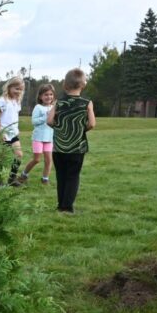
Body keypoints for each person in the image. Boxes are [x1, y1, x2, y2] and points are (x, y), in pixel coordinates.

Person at [47, 68, 96, 214]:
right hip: (77, 147)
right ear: (83, 85)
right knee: (73, 176)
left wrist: (60, 129)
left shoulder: (59, 102)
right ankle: (67, 207)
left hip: (58, 147)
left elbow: (49, 121)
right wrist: (81, 130)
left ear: (64, 85)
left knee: (60, 176)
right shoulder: (87, 103)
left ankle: (60, 205)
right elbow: (92, 124)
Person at [21, 84, 55, 185]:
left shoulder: (54, 108)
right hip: (38, 138)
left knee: (49, 160)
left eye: (51, 94)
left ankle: (45, 179)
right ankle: (24, 175)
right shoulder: (38, 107)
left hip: (49, 138)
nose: (49, 97)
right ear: (40, 96)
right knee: (36, 159)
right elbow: (34, 122)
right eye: (46, 94)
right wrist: (46, 116)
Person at [0, 76, 25, 185]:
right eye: (16, 89)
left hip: (13, 134)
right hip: (3, 133)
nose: (19, 91)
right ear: (9, 87)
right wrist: (0, 133)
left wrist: (16, 129)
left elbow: (13, 116)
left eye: (21, 89)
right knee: (3, 158)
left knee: (19, 154)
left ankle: (12, 179)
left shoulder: (17, 101)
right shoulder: (3, 101)